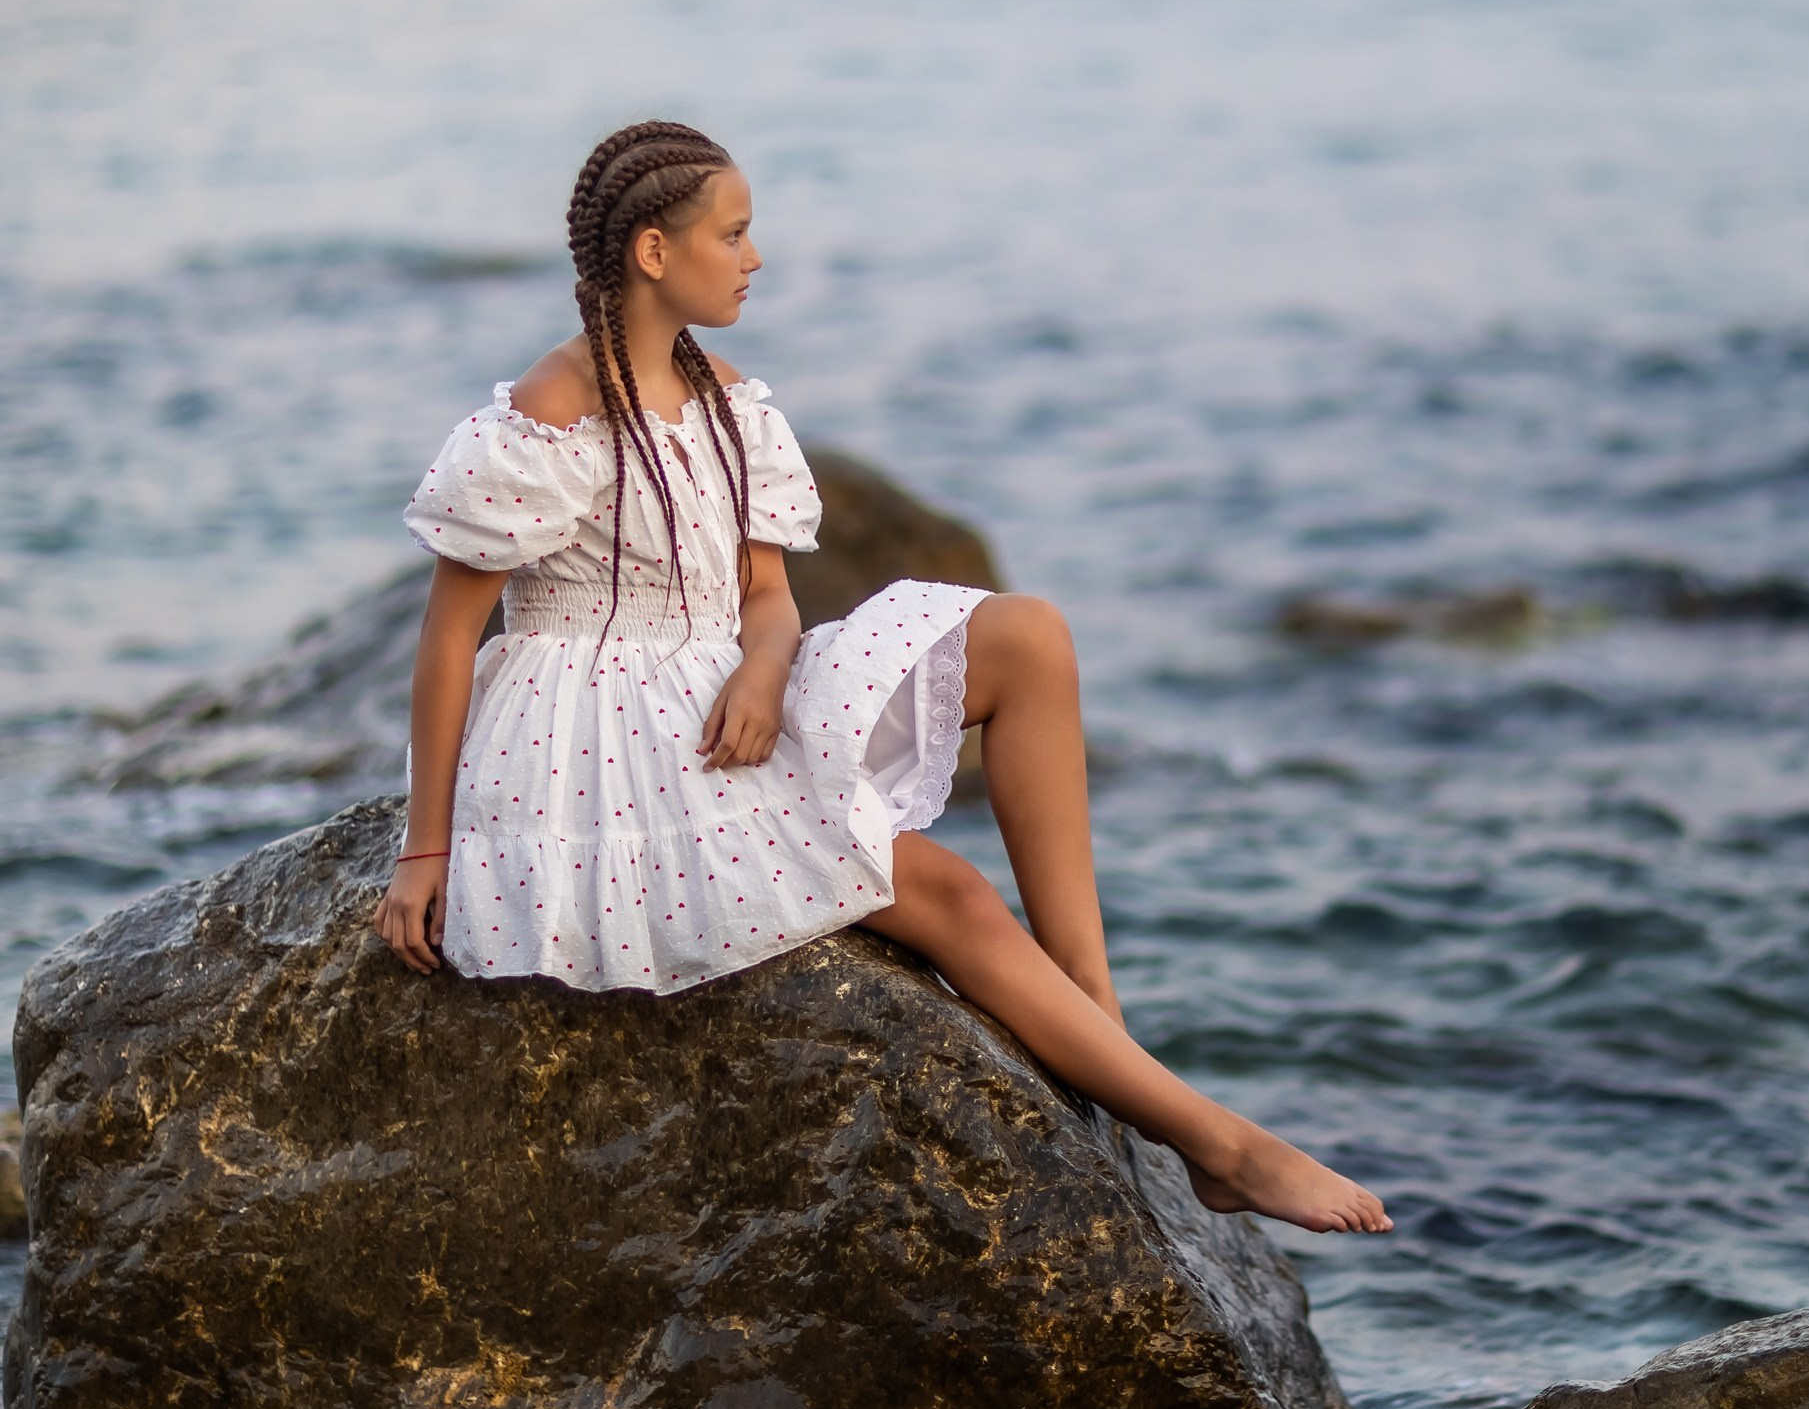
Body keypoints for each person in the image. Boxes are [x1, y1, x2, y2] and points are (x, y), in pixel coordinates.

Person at [373, 120, 1390, 1235]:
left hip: (724, 684)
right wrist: (428, 850)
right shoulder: (553, 408)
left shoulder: (728, 396)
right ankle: (1221, 1146)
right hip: (608, 732)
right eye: (735, 232)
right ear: (655, 254)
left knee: (1031, 636)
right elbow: (448, 634)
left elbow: (765, 596)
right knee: (950, 892)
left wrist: (766, 669)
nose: (755, 258)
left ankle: (1098, 1019)